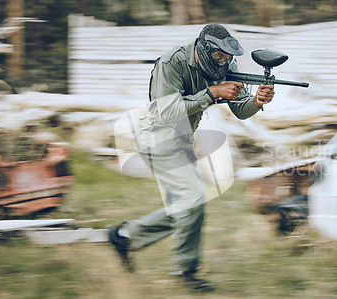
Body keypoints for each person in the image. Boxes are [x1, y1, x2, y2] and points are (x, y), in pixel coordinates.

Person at [108, 24, 275, 292]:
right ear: (206, 49)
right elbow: (165, 112)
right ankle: (184, 272)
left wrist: (256, 101)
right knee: (192, 201)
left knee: (188, 207)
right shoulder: (172, 63)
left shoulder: (223, 68)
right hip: (157, 139)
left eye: (228, 57)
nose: (224, 62)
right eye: (219, 56)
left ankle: (125, 236)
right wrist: (212, 93)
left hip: (183, 141)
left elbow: (241, 111)